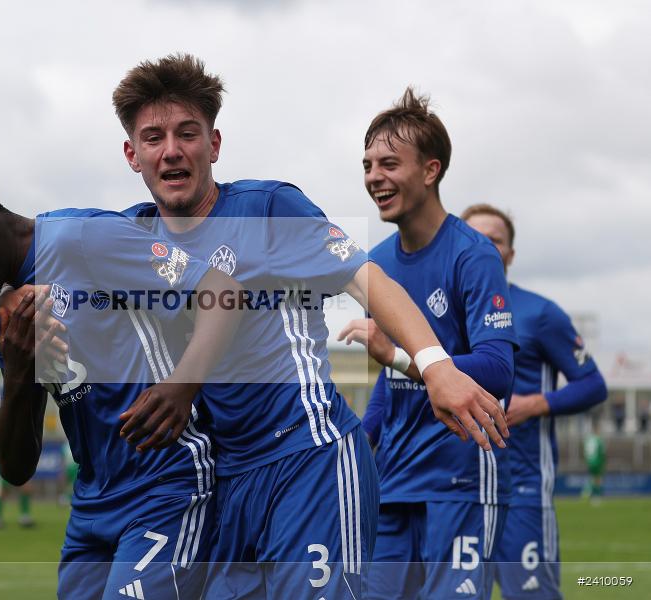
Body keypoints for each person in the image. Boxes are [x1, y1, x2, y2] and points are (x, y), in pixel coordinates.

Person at [105, 55, 507, 598]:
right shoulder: (131, 240)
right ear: (133, 154)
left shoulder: (270, 208)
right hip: (227, 483)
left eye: (187, 133)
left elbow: (368, 281)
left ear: (214, 145)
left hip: (308, 458)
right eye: (153, 137)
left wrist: (434, 366)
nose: (171, 149)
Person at [0, 154, 242, 599]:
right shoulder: (13, 321)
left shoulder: (81, 239)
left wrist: (182, 386)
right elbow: (16, 468)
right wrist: (17, 376)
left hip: (166, 484)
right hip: (92, 506)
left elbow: (223, 290)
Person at [353, 89, 518, 599]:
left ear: (430, 170)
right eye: (366, 165)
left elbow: (497, 369)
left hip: (461, 482)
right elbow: (386, 381)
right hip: (394, 482)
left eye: (388, 163)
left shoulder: (473, 254)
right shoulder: (374, 263)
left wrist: (401, 359)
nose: (373, 177)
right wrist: (359, 448)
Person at [463, 203, 608, 599]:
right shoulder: (443, 311)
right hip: (456, 490)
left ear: (510, 253)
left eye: (497, 240)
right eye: (476, 238)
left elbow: (593, 384)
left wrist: (536, 404)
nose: (487, 247)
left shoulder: (540, 313)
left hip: (521, 486)